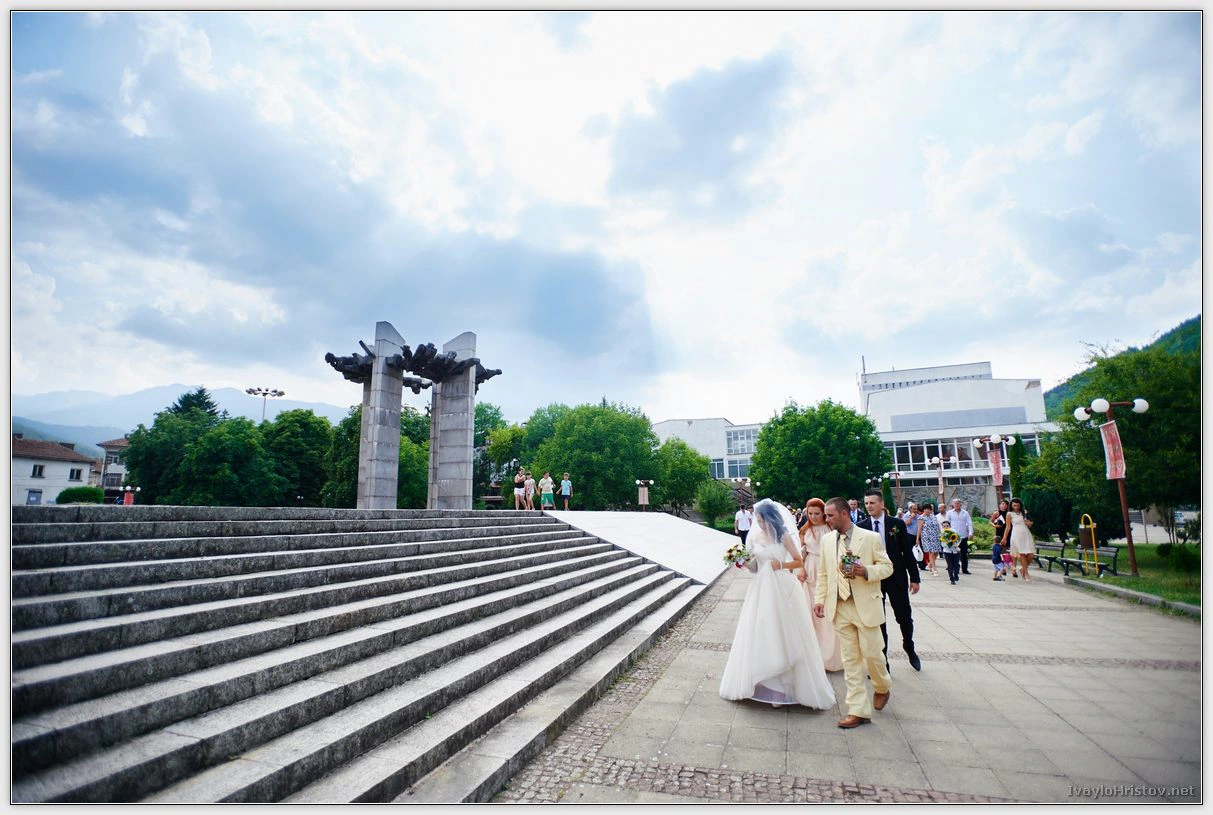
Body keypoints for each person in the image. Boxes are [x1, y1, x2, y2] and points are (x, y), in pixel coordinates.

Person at [720, 499, 836, 710]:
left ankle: (784, 685)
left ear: (771, 519)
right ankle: (762, 680)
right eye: (757, 521)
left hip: (782, 586)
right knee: (761, 630)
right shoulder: (755, 537)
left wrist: (781, 564)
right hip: (760, 589)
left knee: (784, 631)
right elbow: (755, 567)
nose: (760, 525)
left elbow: (798, 561)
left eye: (762, 521)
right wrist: (743, 562)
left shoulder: (784, 536)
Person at [814, 497, 894, 728]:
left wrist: (865, 571)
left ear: (844, 514)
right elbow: (823, 573)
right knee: (850, 660)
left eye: (830, 515)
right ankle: (858, 710)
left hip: (865, 606)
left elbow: (887, 567)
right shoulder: (827, 541)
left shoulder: (870, 538)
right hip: (839, 607)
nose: (827, 519)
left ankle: (882, 686)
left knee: (873, 655)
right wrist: (819, 599)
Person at [858, 489, 921, 672]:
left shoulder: (896, 524)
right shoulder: (861, 526)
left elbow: (907, 552)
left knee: (904, 617)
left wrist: (914, 578)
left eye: (872, 503)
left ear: (881, 504)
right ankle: (882, 660)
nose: (869, 506)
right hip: (874, 579)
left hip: (896, 576)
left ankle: (909, 645)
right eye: (866, 503)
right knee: (879, 620)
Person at [795, 498, 843, 672]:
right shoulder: (805, 530)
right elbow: (800, 552)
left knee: (828, 613)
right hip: (810, 570)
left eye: (817, 513)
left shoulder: (831, 529)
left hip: (828, 569)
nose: (813, 517)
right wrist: (801, 568)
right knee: (810, 612)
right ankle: (811, 654)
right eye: (810, 513)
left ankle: (830, 655)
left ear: (823, 513)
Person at [1003, 497, 1036, 582]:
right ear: (1011, 505)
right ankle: (1026, 573)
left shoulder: (1024, 512)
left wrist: (1029, 523)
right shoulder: (1009, 514)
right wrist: (1004, 538)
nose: (1016, 507)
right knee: (1022, 554)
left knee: (1031, 555)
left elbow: (1031, 523)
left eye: (1018, 505)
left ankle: (1022, 569)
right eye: (1014, 505)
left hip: (1026, 534)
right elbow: (1008, 527)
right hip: (1016, 535)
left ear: (1020, 505)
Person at [946, 498, 975, 575]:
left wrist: (970, 533)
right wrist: (947, 534)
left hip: (963, 536)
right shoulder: (949, 513)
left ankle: (965, 569)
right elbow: (947, 524)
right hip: (953, 537)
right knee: (954, 554)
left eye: (958, 503)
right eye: (955, 503)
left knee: (964, 554)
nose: (956, 505)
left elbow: (969, 523)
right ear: (953, 504)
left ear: (960, 504)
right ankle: (956, 569)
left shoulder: (965, 513)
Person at [916, 502, 942, 576]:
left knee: (936, 552)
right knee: (931, 553)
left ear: (931, 510)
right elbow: (919, 529)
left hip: (935, 537)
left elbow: (937, 527)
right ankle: (934, 569)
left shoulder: (934, 517)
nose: (927, 510)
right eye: (925, 509)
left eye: (928, 509)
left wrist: (941, 534)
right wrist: (917, 539)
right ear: (923, 510)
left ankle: (930, 565)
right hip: (927, 537)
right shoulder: (921, 518)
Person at [990, 499, 1012, 576]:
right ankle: (1000, 568)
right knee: (998, 550)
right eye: (1002, 504)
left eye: (1005, 504)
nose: (1004, 505)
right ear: (1000, 505)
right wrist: (995, 526)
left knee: (1005, 551)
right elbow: (990, 521)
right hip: (999, 533)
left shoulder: (1009, 513)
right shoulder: (997, 513)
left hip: (1007, 532)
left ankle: (1004, 569)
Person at [940, 519, 961, 585]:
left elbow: (959, 539)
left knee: (956, 564)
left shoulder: (954, 531)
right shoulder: (942, 533)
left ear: (950, 526)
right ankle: (952, 579)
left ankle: (956, 574)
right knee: (950, 565)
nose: (946, 527)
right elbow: (942, 544)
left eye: (947, 526)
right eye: (944, 526)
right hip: (947, 551)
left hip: (955, 551)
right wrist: (948, 543)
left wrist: (954, 544)